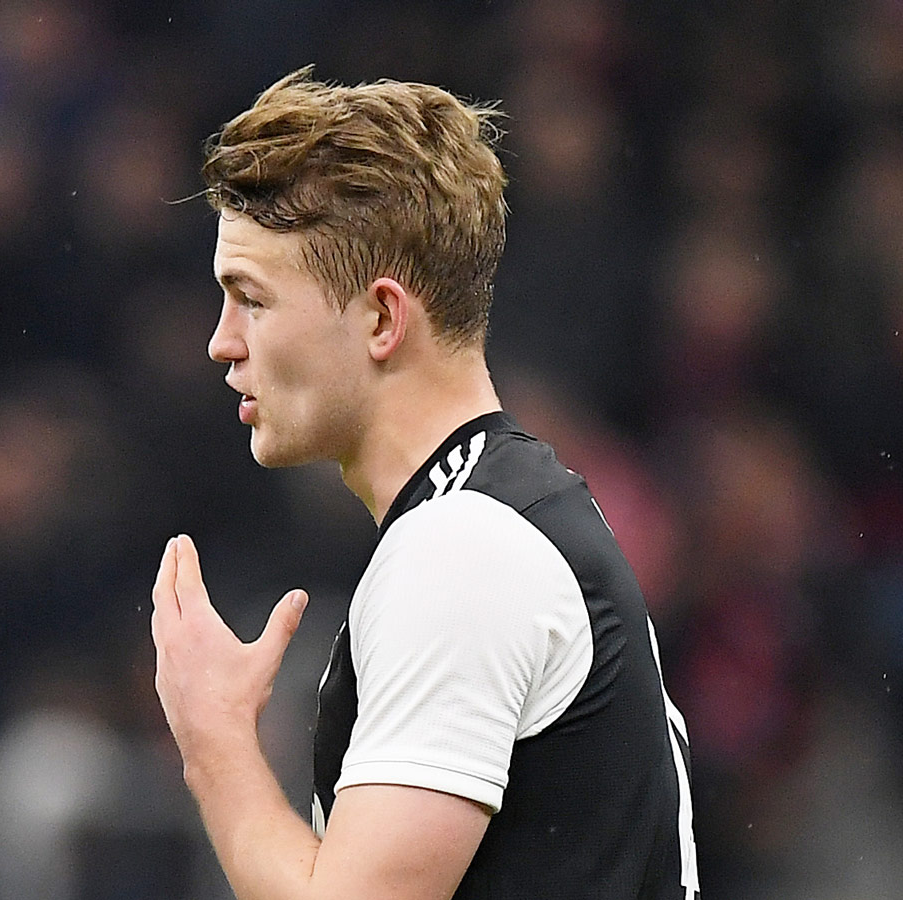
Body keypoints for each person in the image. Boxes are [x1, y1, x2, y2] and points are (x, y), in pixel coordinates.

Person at [149, 68, 699, 900]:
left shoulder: (464, 549)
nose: (221, 342)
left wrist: (213, 738)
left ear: (381, 318)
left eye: (250, 299)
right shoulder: (508, 513)